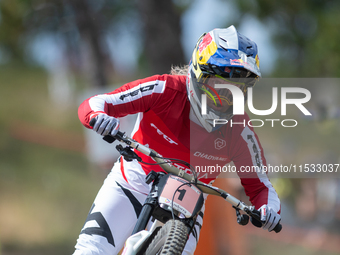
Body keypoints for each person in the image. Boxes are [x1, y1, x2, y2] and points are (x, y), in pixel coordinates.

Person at [74, 25, 281, 255]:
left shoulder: (241, 129)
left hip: (188, 205)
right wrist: (98, 117)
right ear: (199, 75)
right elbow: (97, 103)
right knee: (91, 250)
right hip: (133, 181)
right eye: (219, 87)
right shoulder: (164, 89)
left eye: (237, 90)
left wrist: (268, 209)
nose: (226, 99)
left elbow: (261, 186)